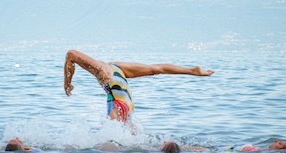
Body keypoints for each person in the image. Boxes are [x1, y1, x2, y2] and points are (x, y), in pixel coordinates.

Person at [64, 49, 214, 124]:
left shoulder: (101, 71)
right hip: (121, 85)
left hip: (118, 102)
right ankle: (192, 71)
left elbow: (71, 53)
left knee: (117, 140)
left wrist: (67, 83)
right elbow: (71, 57)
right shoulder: (109, 68)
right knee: (154, 69)